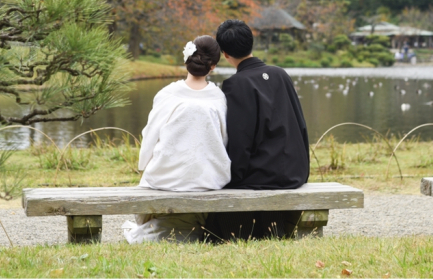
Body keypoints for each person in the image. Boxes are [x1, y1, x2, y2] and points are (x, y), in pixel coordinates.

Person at [203, 19, 310, 241]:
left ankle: (224, 235)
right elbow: (300, 124)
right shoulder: (281, 74)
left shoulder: (236, 83)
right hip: (295, 171)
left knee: (216, 189)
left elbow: (241, 140)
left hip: (264, 175)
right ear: (251, 43)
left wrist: (231, 176)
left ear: (225, 53)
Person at [122, 35, 229, 244]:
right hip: (209, 178)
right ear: (213, 66)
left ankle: (156, 227)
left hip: (167, 177)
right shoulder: (218, 97)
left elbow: (150, 133)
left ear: (186, 60)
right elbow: (223, 139)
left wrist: (144, 165)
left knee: (149, 177)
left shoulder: (168, 93)